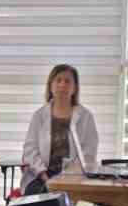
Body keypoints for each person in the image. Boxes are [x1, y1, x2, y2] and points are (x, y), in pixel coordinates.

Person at [21, 63, 99, 194]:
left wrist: (68, 178)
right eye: (58, 80)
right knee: (36, 204)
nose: (62, 85)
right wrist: (44, 176)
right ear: (51, 86)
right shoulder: (39, 116)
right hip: (41, 177)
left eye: (68, 81)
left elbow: (89, 153)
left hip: (74, 179)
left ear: (74, 88)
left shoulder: (86, 117)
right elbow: (30, 150)